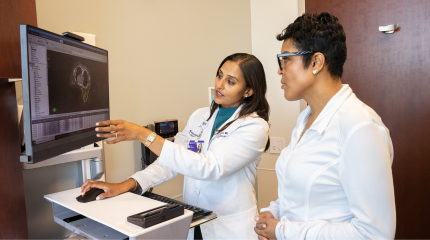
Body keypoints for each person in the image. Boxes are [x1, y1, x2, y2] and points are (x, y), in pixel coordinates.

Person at [81, 53, 270, 239]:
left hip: (229, 229)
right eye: (219, 75)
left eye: (230, 81)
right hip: (195, 221)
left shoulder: (254, 127)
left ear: (248, 91)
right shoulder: (200, 116)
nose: (219, 84)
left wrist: (143, 135)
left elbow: (208, 167)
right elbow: (170, 162)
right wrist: (124, 185)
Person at [254, 12, 395, 240]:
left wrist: (282, 230)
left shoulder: (359, 127)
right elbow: (302, 192)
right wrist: (274, 212)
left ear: (317, 62)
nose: (279, 70)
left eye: (286, 59)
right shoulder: (305, 119)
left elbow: (374, 234)